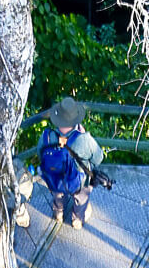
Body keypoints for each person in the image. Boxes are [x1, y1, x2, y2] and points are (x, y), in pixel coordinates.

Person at [37, 96, 104, 230]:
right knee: (81, 198)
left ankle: (58, 213)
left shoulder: (47, 136)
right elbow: (98, 158)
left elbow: (40, 154)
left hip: (54, 178)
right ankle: (77, 220)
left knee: (57, 194)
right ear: (75, 120)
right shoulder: (84, 140)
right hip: (77, 181)